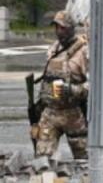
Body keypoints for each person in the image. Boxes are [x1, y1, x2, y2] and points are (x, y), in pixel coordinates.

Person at [34, 11, 89, 160]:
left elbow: (94, 86)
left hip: (73, 114)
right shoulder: (54, 49)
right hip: (50, 113)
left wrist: (73, 89)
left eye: (63, 28)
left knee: (84, 160)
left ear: (71, 28)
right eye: (56, 27)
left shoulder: (83, 52)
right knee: (42, 161)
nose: (58, 31)